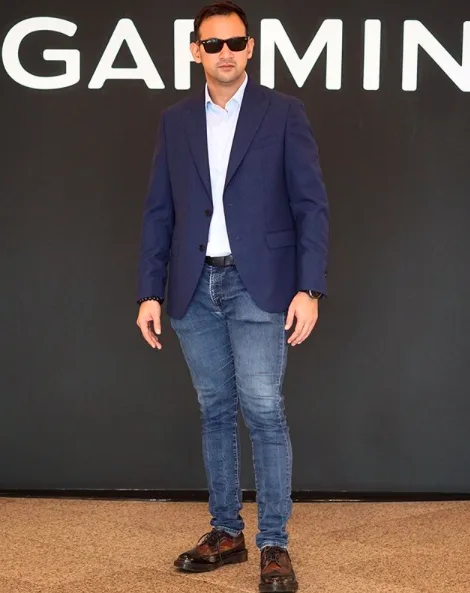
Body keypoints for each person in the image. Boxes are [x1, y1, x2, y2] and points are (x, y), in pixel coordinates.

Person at [136, 1, 329, 591]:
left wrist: (309, 287)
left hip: (260, 284)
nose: (226, 53)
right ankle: (226, 532)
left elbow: (310, 206)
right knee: (215, 410)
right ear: (196, 50)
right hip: (192, 287)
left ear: (250, 48)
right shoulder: (175, 121)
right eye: (213, 44)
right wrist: (149, 291)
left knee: (264, 411)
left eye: (236, 42)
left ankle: (273, 543)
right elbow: (159, 211)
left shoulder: (284, 112)